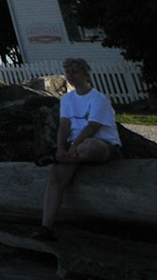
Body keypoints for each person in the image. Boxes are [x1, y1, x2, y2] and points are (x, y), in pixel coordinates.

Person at [37, 57, 121, 239]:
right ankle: (46, 227)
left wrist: (73, 147)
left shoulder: (99, 99)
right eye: (68, 72)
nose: (71, 76)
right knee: (56, 179)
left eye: (75, 71)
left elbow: (92, 127)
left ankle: (59, 157)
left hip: (101, 144)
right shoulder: (67, 99)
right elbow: (64, 124)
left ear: (85, 74)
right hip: (74, 150)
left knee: (89, 146)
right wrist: (61, 147)